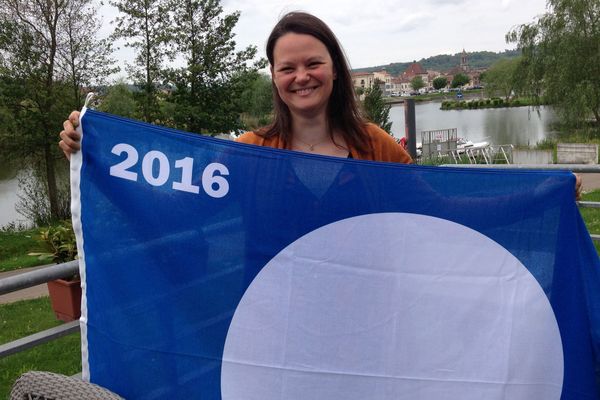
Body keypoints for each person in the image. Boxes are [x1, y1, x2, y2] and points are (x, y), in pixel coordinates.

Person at [59, 11, 412, 165]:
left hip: (363, 316)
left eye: (313, 63)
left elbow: (433, 211)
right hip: (269, 315)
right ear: (274, 77)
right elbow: (177, 199)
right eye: (287, 68)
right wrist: (95, 152)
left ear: (335, 70)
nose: (301, 76)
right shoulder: (248, 152)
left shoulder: (376, 147)